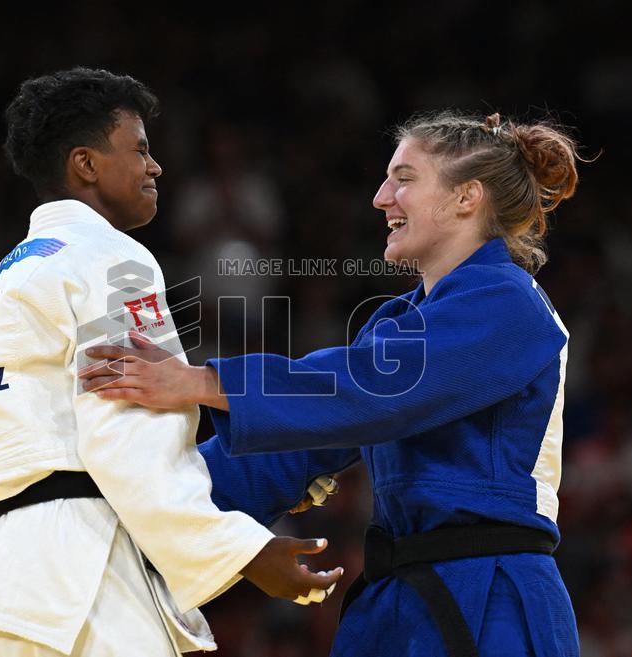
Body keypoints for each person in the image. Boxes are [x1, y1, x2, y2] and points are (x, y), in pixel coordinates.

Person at [80, 110, 585, 656]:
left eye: (404, 179)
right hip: (397, 604)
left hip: (492, 597)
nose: (381, 197)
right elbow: (294, 451)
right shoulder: (398, 320)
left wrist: (201, 381)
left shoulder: (509, 302)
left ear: (467, 198)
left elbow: (369, 389)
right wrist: (114, 503)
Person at [0, 67, 342, 657]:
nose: (155, 166)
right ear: (86, 163)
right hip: (86, 585)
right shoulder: (110, 258)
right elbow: (127, 442)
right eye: (139, 149)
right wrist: (245, 552)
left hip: (4, 590)